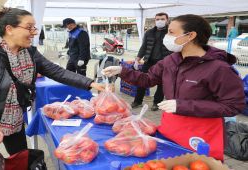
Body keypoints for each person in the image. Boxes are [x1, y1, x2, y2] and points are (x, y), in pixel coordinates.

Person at [0, 7, 103, 170]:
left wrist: (90, 83)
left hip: (10, 118)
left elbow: (56, 71)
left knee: (21, 156)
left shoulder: (29, 52)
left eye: (34, 27)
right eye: (29, 27)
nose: (34, 32)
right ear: (9, 29)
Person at [102, 14, 245, 161]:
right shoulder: (171, 60)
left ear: (190, 35)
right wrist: (122, 71)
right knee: (169, 161)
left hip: (201, 132)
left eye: (171, 32)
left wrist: (182, 105)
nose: (166, 36)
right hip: (171, 125)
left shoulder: (218, 68)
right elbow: (148, 79)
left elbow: (233, 105)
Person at [131, 12, 172, 110]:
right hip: (149, 61)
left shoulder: (170, 33)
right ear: (155, 20)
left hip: (164, 62)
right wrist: (137, 59)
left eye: (162, 19)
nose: (160, 21)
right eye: (157, 19)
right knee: (143, 81)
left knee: (161, 84)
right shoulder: (149, 32)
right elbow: (144, 47)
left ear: (167, 20)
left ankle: (157, 103)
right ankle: (137, 101)